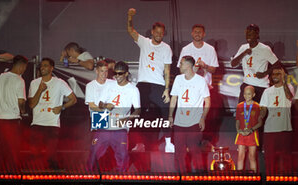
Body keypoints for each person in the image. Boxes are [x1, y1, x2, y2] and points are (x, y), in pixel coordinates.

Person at [127, 8, 174, 153]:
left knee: (167, 110)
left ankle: (168, 143)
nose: (159, 35)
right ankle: (135, 143)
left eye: (161, 33)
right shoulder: (144, 42)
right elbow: (131, 30)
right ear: (152, 32)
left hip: (159, 85)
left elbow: (167, 70)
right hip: (143, 84)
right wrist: (130, 16)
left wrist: (166, 89)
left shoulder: (167, 48)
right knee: (137, 112)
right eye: (157, 32)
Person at [87, 61, 140, 172]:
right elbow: (100, 103)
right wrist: (106, 105)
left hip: (120, 129)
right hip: (104, 125)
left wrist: (125, 119)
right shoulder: (109, 85)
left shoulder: (133, 89)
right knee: (94, 152)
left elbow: (138, 110)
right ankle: (88, 179)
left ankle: (120, 181)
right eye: (115, 73)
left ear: (126, 74)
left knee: (122, 156)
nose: (117, 76)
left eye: (120, 73)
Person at [28, 57, 77, 170]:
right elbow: (31, 105)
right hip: (37, 123)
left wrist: (62, 107)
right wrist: (40, 90)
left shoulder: (59, 83)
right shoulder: (34, 83)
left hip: (52, 124)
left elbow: (73, 99)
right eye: (41, 66)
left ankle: (52, 180)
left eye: (45, 65)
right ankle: (35, 180)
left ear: (51, 68)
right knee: (35, 155)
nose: (43, 67)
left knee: (51, 155)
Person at [168, 56, 210, 173]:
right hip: (180, 122)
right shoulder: (178, 78)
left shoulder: (200, 80)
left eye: (181, 63)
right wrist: (171, 116)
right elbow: (174, 98)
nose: (179, 66)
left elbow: (207, 101)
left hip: (194, 121)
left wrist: (203, 118)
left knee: (195, 151)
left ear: (188, 65)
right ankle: (181, 180)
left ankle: (198, 181)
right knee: (179, 152)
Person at [0, 55, 28, 172]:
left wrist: (0, 104)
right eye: (24, 68)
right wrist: (23, 111)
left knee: (1, 147)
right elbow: (21, 101)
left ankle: (0, 172)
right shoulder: (19, 80)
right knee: (13, 148)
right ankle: (13, 173)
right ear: (21, 66)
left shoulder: (1, 77)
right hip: (12, 119)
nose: (24, 70)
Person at [231, 24, 279, 103]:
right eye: (247, 34)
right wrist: (244, 53)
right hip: (247, 84)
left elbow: (277, 64)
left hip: (261, 85)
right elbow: (233, 64)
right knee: (242, 111)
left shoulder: (264, 49)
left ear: (257, 34)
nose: (248, 36)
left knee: (259, 112)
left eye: (251, 34)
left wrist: (265, 73)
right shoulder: (243, 47)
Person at [260, 66, 294, 174]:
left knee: (286, 157)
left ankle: (286, 183)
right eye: (273, 74)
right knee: (269, 158)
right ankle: (270, 183)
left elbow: (289, 97)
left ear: (283, 75)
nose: (275, 76)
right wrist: (259, 116)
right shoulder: (267, 91)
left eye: (278, 74)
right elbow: (263, 109)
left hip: (285, 128)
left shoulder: (289, 87)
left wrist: (284, 81)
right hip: (270, 129)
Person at [235, 86, 262, 172]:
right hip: (242, 134)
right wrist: (238, 130)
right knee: (240, 156)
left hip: (252, 134)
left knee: (252, 156)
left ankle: (254, 178)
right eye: (245, 94)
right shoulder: (239, 106)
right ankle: (239, 178)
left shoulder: (257, 106)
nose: (247, 96)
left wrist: (251, 130)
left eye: (249, 94)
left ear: (253, 94)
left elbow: (260, 122)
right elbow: (237, 121)